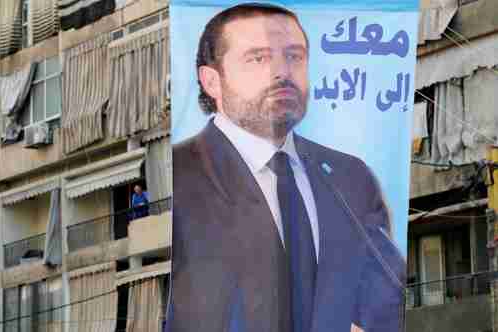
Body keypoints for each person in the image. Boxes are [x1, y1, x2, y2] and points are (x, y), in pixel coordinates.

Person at [169, 3, 406, 332]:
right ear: (211, 81)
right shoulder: (179, 177)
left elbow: (386, 295)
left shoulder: (350, 177)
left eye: (294, 56)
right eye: (258, 58)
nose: (281, 73)